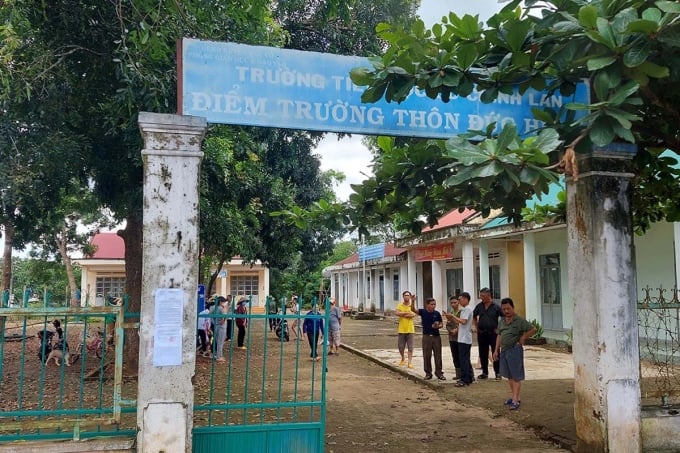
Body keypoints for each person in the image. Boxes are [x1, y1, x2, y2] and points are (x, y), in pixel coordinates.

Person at [493, 297, 537, 411]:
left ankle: (515, 400)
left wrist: (523, 337)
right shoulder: (502, 321)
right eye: (504, 309)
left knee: (516, 375)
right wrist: (496, 350)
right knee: (509, 375)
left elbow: (533, 329)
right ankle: (514, 396)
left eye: (508, 308)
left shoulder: (519, 321)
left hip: (514, 350)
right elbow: (499, 335)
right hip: (504, 350)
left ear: (513, 308)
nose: (506, 311)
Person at [473, 287, 503, 380]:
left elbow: (503, 317)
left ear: (489, 296)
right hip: (482, 333)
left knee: (496, 352)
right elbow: (474, 316)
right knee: (482, 353)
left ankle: (498, 372)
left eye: (483, 296)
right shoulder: (479, 306)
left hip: (493, 333)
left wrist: (500, 329)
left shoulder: (496, 307)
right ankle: (484, 372)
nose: (481, 297)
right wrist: (475, 326)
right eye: (480, 296)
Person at [416, 297, 445, 380]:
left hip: (436, 336)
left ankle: (439, 373)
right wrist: (413, 301)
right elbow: (414, 310)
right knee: (427, 355)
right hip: (426, 336)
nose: (433, 306)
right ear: (427, 305)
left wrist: (438, 326)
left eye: (434, 304)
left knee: (438, 355)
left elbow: (441, 324)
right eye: (432, 304)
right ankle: (428, 373)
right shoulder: (423, 312)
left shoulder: (437, 313)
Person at [451, 292, 474, 386]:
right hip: (462, 337)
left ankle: (465, 379)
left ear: (465, 299)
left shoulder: (467, 309)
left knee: (463, 359)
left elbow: (463, 321)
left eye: (460, 299)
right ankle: (468, 377)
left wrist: (453, 316)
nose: (459, 301)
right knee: (465, 359)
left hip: (465, 339)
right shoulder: (464, 309)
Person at [395, 290, 417, 368]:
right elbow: (397, 313)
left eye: (408, 295)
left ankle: (410, 362)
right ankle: (403, 358)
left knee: (410, 347)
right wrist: (405, 313)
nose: (406, 297)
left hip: (410, 329)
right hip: (401, 329)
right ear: (403, 296)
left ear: (410, 297)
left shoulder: (412, 306)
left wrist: (402, 314)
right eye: (405, 295)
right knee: (401, 346)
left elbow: (413, 314)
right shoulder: (400, 305)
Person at [443, 295, 462, 380]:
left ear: (458, 302)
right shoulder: (450, 312)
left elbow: (464, 323)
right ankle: (458, 374)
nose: (453, 304)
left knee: (462, 356)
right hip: (452, 338)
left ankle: (466, 373)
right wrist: (450, 330)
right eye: (451, 303)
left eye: (455, 302)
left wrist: (457, 330)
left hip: (461, 338)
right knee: (455, 356)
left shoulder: (462, 312)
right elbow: (448, 324)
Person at [214, 296, 228, 362]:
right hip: (221, 327)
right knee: (220, 342)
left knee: (218, 341)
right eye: (224, 301)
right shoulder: (221, 308)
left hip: (217, 326)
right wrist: (223, 320)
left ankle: (219, 355)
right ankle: (219, 356)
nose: (225, 303)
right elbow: (224, 317)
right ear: (220, 302)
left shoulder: (216, 308)